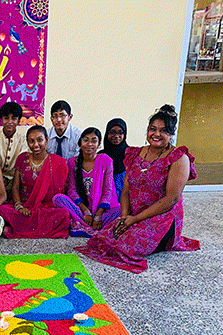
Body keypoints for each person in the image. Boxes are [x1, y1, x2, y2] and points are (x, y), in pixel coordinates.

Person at [75, 105, 200, 273]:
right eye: (153, 129)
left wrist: (134, 220)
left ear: (171, 134)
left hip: (161, 218)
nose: (156, 134)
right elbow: (126, 189)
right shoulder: (135, 154)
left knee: (125, 247)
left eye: (163, 131)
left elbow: (172, 199)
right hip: (132, 214)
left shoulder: (178, 158)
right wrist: (124, 216)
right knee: (101, 240)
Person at [0, 125, 70, 239]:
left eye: (39, 140)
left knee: (64, 214)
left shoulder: (57, 162)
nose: (35, 145)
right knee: (1, 209)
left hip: (46, 208)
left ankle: (22, 228)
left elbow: (60, 192)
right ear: (27, 143)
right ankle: (38, 228)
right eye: (31, 141)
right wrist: (19, 206)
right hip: (24, 206)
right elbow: (15, 186)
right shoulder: (22, 158)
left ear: (47, 140)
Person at [53, 127, 120, 237]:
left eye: (94, 141)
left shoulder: (106, 160)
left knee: (122, 210)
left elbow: (108, 191)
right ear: (80, 143)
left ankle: (82, 225)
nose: (89, 144)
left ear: (99, 144)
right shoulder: (72, 162)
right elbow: (71, 190)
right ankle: (90, 225)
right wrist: (85, 211)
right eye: (86, 140)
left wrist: (98, 214)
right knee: (58, 198)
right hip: (81, 209)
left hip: (102, 211)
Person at [0, 101, 29, 194]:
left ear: (19, 121)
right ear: (1, 120)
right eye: (6, 118)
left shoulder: (24, 140)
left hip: (16, 181)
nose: (9, 122)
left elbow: (21, 163)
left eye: (14, 118)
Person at [99, 118, 129, 199]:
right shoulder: (100, 156)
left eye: (120, 133)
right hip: (105, 200)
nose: (116, 136)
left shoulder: (130, 155)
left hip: (126, 198)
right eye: (112, 132)